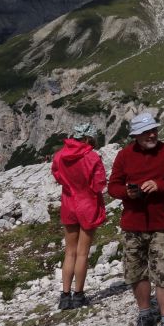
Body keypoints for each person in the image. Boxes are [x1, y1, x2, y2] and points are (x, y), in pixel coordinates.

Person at [107, 112, 164, 326]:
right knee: (136, 272)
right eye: (145, 132)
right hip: (132, 224)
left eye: (153, 130)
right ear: (135, 135)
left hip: (160, 224)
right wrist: (127, 192)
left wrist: (160, 185)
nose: (151, 135)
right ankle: (145, 315)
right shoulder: (124, 155)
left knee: (163, 272)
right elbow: (112, 186)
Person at [52, 123, 107, 311]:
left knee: (70, 252)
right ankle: (79, 295)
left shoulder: (59, 156)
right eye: (92, 141)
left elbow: (57, 176)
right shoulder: (92, 157)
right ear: (86, 140)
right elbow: (99, 184)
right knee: (82, 252)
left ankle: (65, 296)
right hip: (88, 204)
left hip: (69, 203)